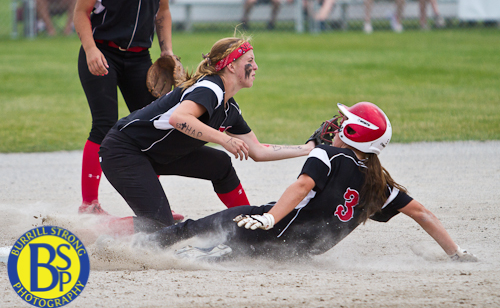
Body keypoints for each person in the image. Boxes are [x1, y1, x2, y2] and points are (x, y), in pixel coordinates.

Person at [150, 102, 478, 262]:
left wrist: (268, 217)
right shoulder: (379, 184)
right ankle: (220, 253)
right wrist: (456, 254)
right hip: (299, 250)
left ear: (353, 134)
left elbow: (302, 186)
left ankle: (137, 251)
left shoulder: (327, 155)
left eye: (343, 124)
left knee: (194, 232)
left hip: (273, 229)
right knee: (234, 253)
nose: (335, 127)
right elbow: (422, 213)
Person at [96, 37, 316, 235]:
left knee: (220, 165)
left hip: (154, 154)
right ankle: (92, 232)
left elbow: (257, 150)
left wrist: (308, 149)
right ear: (231, 66)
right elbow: (180, 119)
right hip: (123, 151)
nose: (256, 66)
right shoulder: (210, 88)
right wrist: (224, 139)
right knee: (158, 226)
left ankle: (248, 228)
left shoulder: (229, 109)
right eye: (250, 60)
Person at [73, 0, 183, 220]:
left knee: (152, 128)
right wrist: (90, 49)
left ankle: (154, 208)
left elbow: (162, 10)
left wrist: (167, 51)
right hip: (102, 51)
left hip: (139, 57)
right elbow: (81, 11)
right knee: (104, 124)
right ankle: (89, 204)